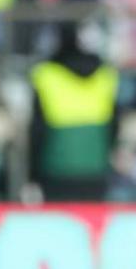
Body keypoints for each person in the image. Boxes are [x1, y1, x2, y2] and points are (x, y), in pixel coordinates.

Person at [29, 23, 119, 201]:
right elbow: (115, 126)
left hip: (55, 170)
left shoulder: (44, 74)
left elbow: (36, 131)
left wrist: (32, 175)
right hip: (96, 169)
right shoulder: (106, 73)